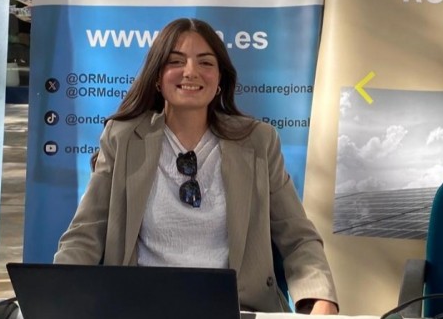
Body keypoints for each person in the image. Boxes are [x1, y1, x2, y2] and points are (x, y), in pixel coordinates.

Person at [54, 18, 338, 314]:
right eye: (176, 61)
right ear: (157, 76)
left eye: (205, 62)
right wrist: (58, 294)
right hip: (140, 308)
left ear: (220, 79)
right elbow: (86, 233)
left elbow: (297, 237)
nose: (191, 72)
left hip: (237, 310)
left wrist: (320, 298)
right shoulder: (123, 137)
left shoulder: (258, 141)